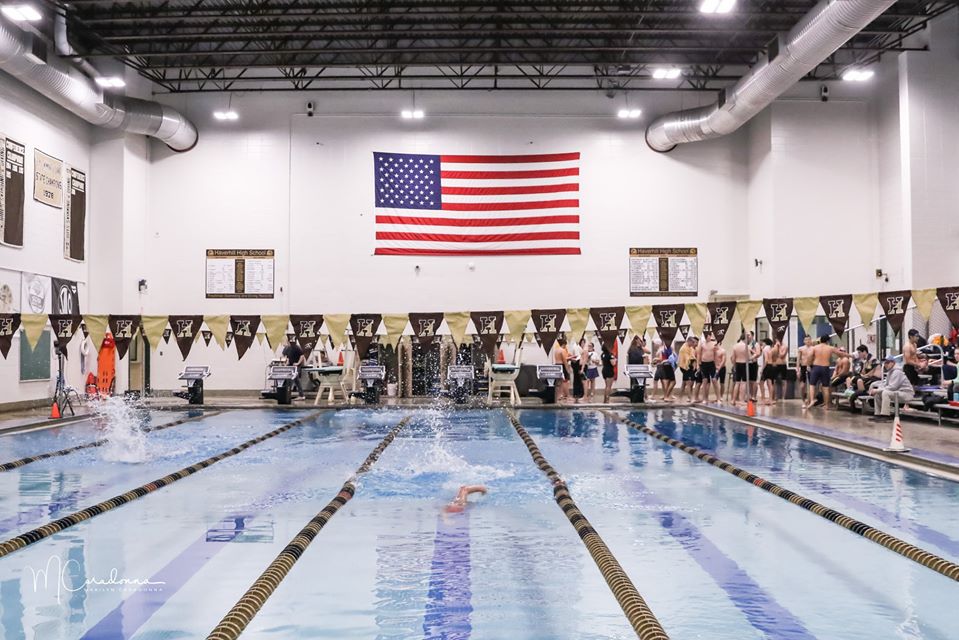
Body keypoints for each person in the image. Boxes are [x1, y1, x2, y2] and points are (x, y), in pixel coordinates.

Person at [806, 336, 850, 410]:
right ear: (828, 341)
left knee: (812, 385)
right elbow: (841, 354)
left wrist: (808, 365)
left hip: (816, 367)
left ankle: (812, 400)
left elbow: (809, 356)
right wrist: (852, 355)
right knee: (825, 387)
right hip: (825, 368)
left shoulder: (815, 348)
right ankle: (827, 405)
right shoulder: (830, 348)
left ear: (820, 340)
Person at [697, 331, 719, 403]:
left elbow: (715, 355)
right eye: (707, 336)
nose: (708, 337)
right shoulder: (702, 344)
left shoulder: (714, 344)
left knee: (714, 380)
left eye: (709, 336)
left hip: (711, 364)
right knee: (705, 381)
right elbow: (699, 355)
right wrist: (698, 365)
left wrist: (716, 365)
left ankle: (718, 397)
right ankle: (704, 398)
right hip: (704, 364)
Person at [678, 336, 698, 403]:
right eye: (692, 342)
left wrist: (694, 364)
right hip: (685, 367)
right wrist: (691, 365)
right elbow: (687, 359)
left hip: (689, 366)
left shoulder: (690, 347)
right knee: (688, 382)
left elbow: (693, 357)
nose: (693, 344)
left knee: (684, 383)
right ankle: (690, 398)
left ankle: (680, 397)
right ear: (689, 341)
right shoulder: (684, 348)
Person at [796, 335, 815, 401]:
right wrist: (797, 370)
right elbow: (798, 359)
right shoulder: (801, 348)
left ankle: (809, 400)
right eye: (806, 340)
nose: (808, 341)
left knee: (811, 384)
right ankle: (803, 400)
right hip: (803, 367)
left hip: (811, 366)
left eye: (809, 339)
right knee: (802, 385)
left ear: (811, 340)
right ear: (804, 341)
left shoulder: (813, 348)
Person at [554, 337, 571, 402]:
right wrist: (567, 370)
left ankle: (558, 395)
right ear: (564, 344)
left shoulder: (556, 350)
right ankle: (566, 395)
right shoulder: (562, 350)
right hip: (562, 366)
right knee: (564, 381)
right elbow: (565, 361)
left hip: (557, 365)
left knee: (558, 382)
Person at [570, 337, 585, 403]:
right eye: (583, 343)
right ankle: (578, 393)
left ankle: (577, 393)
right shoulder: (576, 347)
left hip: (576, 363)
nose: (584, 344)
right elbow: (577, 357)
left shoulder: (577, 347)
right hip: (577, 363)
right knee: (579, 379)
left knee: (577, 379)